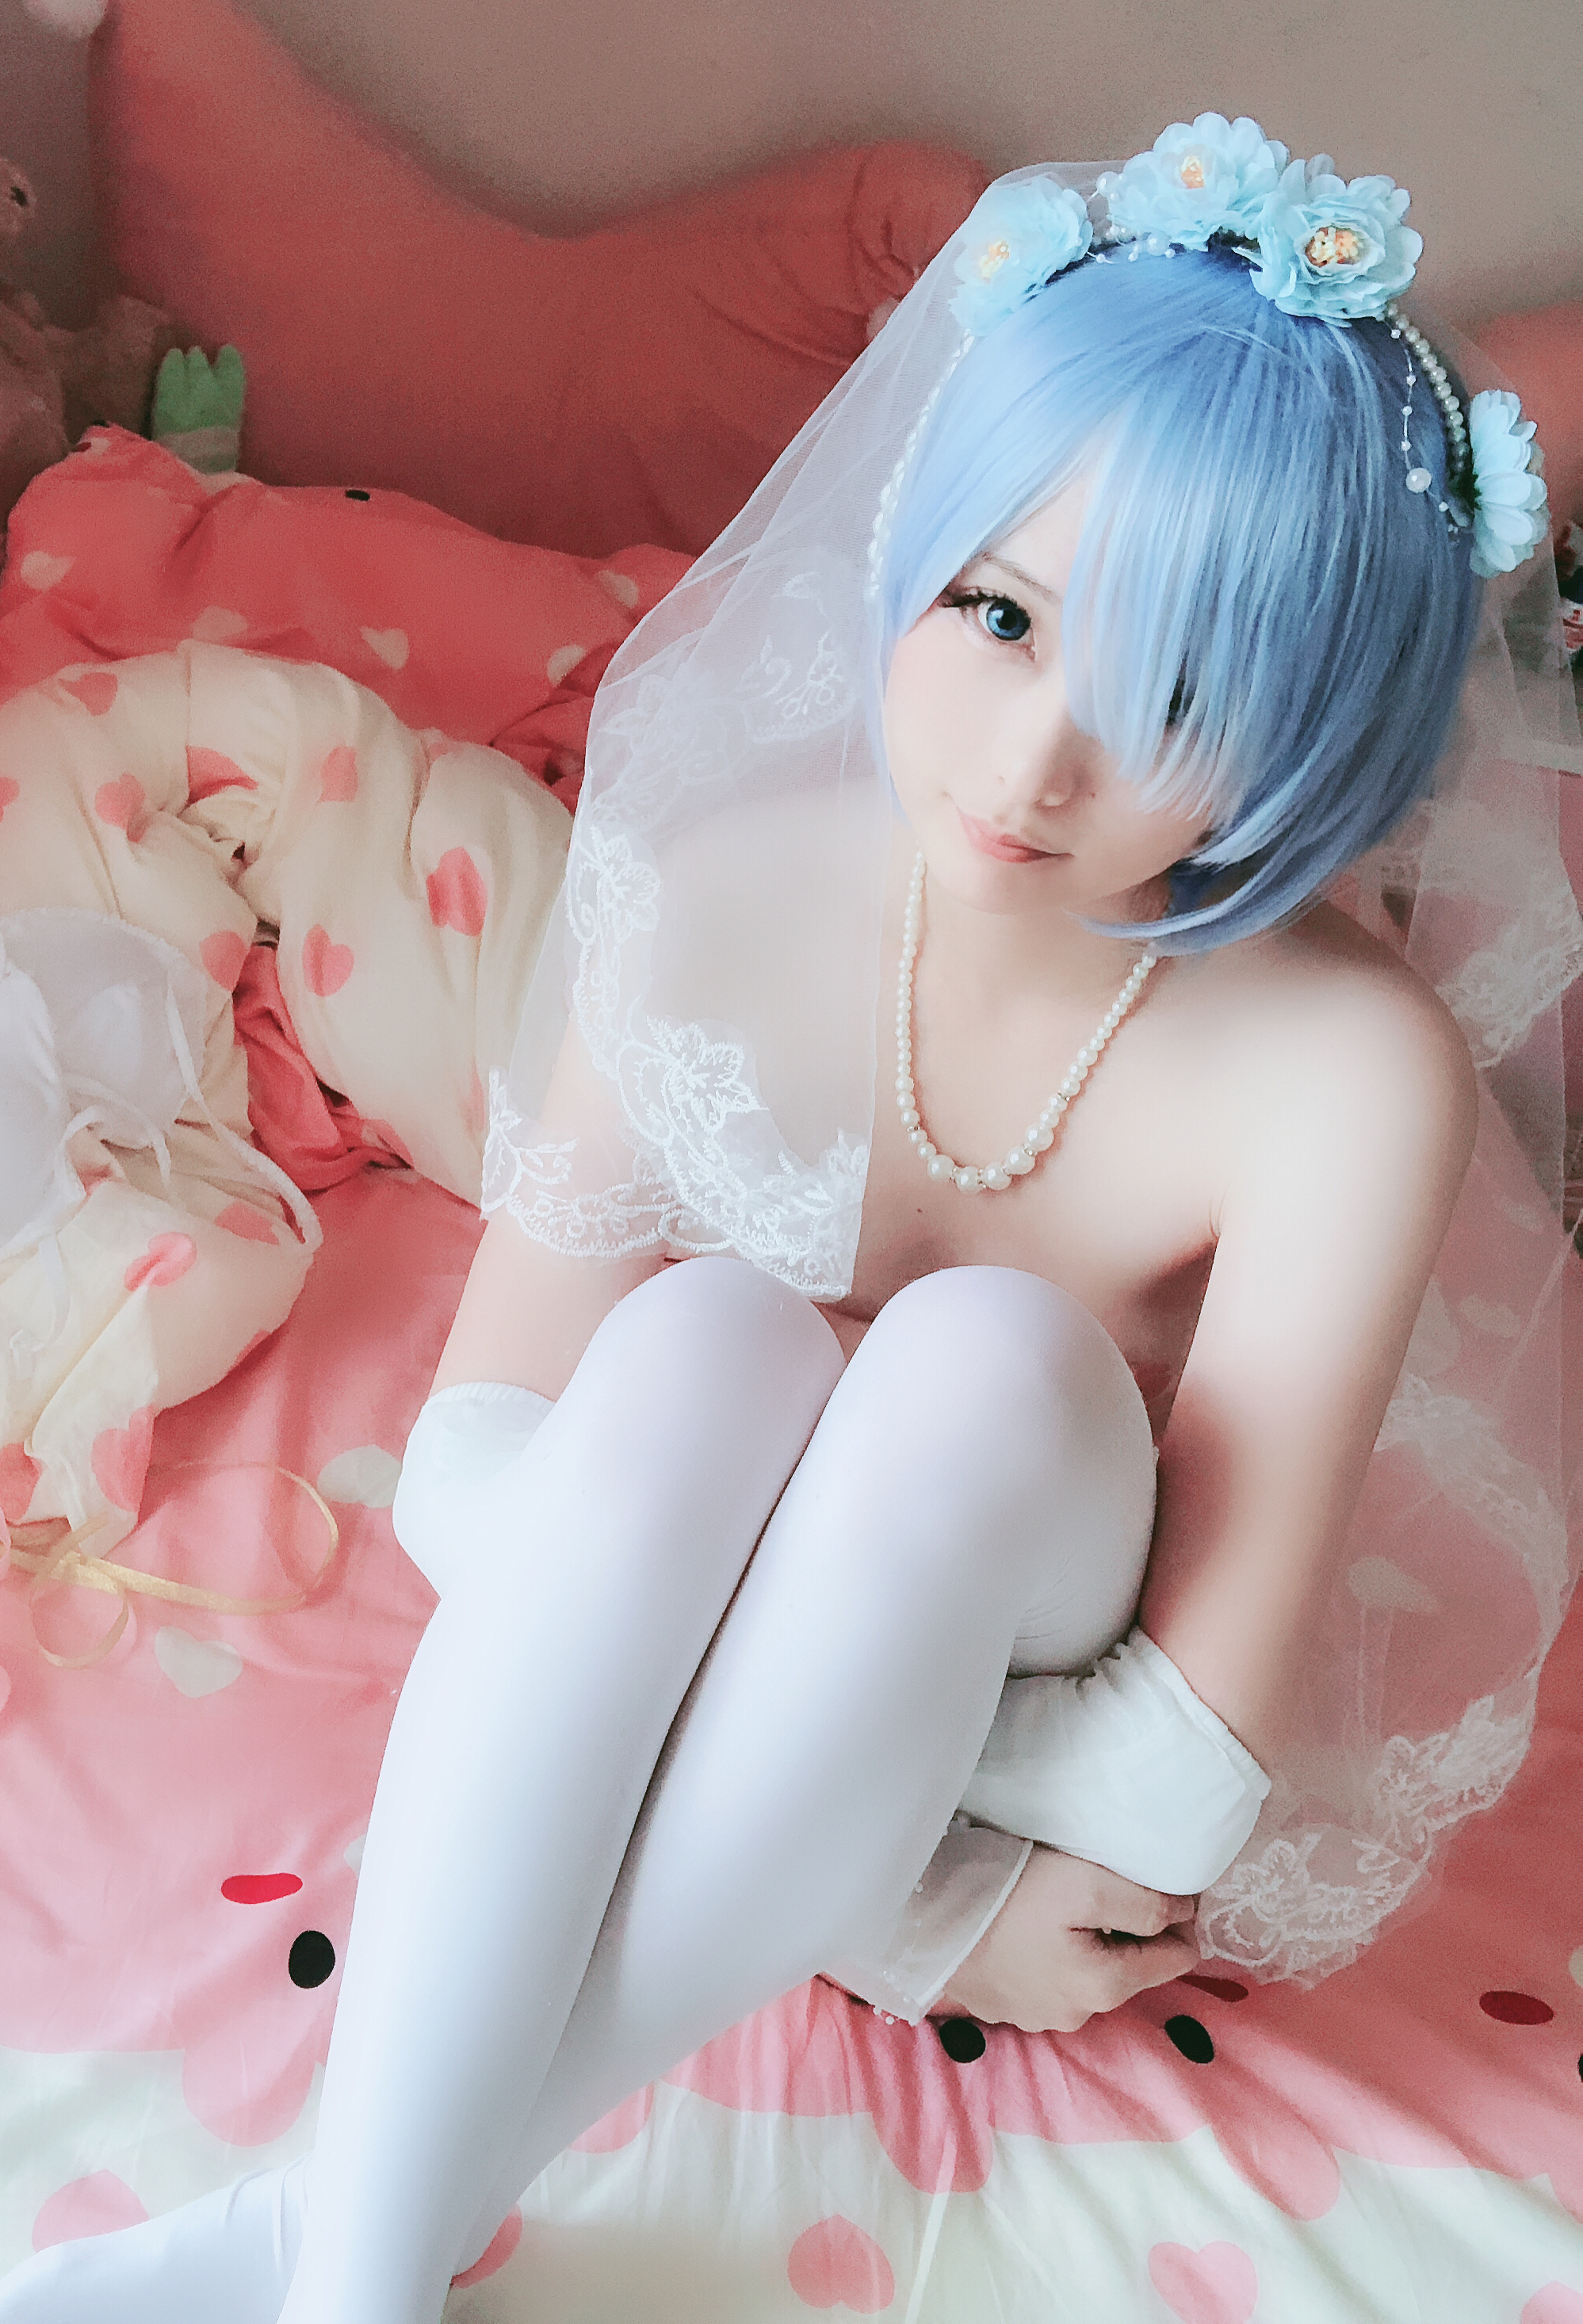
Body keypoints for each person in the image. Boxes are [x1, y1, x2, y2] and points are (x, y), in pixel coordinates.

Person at [3, 118, 1574, 2324]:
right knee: (703, 1339)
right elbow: (477, 1462)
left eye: (1180, 699)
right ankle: (357, 2273)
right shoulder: (727, 883)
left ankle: (322, 2241)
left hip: (1037, 1623)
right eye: (997, 615)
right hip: (715, 1551)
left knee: (974, 1364)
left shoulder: (1348, 1070)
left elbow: (1177, 1770)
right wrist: (880, 1884)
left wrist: (849, 1783)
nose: (1031, 766)